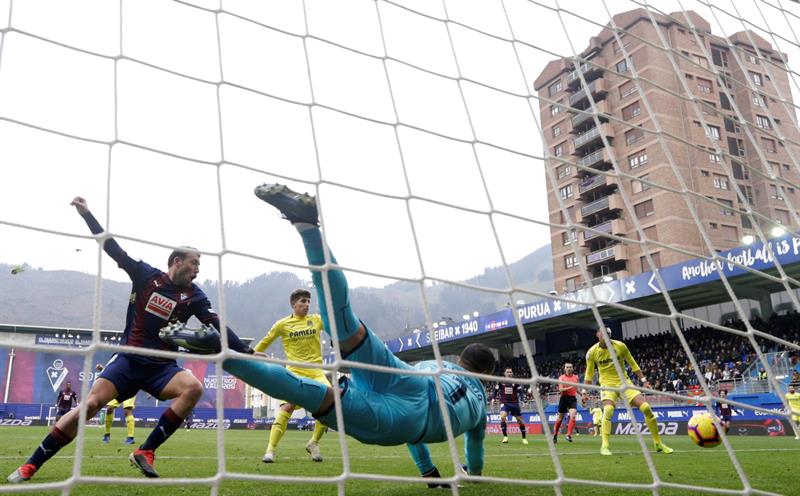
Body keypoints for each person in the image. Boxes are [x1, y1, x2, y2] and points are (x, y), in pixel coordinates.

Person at [223, 184, 496, 488]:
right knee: (314, 398)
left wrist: (428, 471)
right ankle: (223, 356)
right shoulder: (480, 401)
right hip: (413, 419)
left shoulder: (440, 366)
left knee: (344, 326)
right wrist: (473, 472)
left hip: (411, 376)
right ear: (484, 373)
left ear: (460, 359)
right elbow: (475, 447)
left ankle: (307, 228)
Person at [6, 196, 253, 483]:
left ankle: (145, 450)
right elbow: (112, 248)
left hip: (162, 367)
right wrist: (87, 214)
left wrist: (247, 349)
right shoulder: (146, 276)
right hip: (128, 359)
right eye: (194, 263)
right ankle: (31, 465)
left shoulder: (195, 296)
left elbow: (216, 324)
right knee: (89, 406)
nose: (198, 269)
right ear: (177, 261)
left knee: (194, 388)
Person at [254, 288, 331, 463]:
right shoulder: (282, 324)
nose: (306, 305)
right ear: (293, 304)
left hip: (316, 372)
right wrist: (250, 355)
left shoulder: (317, 320)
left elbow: (335, 331)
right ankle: (270, 450)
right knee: (287, 407)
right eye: (303, 301)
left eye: (308, 301)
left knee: (330, 406)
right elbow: (265, 342)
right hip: (295, 372)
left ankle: (314, 443)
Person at [580, 327, 673, 456]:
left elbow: (633, 363)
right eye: (603, 334)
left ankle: (658, 443)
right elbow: (589, 373)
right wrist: (584, 391)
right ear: (598, 334)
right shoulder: (592, 352)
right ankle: (605, 446)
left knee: (646, 408)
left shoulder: (620, 346)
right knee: (608, 410)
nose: (606, 336)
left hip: (625, 383)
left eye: (608, 334)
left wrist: (644, 380)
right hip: (607, 384)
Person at [94, 364, 136, 445]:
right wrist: (102, 369)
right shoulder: (122, 358)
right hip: (119, 387)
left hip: (131, 387)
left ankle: (130, 437)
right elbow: (114, 371)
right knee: (109, 409)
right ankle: (107, 434)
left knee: (127, 410)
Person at [492, 367, 528, 445]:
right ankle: (505, 437)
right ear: (505, 373)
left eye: (510, 372)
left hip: (515, 403)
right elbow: (495, 390)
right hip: (505, 403)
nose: (509, 373)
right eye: (507, 372)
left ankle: (524, 438)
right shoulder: (501, 382)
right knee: (502, 416)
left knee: (520, 421)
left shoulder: (515, 382)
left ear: (512, 373)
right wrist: (493, 398)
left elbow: (521, 392)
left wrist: (523, 400)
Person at [552, 362, 580, 444]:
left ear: (573, 368)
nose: (569, 368)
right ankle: (555, 435)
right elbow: (560, 390)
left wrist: (581, 393)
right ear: (564, 369)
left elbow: (576, 388)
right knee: (560, 418)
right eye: (567, 367)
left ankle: (568, 435)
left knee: (573, 416)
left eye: (570, 367)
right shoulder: (561, 378)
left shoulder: (576, 377)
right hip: (564, 398)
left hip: (572, 399)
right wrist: (570, 386)